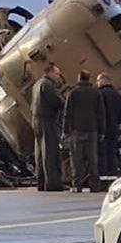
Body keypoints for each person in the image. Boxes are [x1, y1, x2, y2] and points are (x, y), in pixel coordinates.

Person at [63, 69, 105, 192]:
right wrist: (101, 131)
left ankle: (77, 185)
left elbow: (68, 113)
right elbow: (101, 113)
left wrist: (65, 131)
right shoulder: (96, 93)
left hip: (76, 130)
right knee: (92, 159)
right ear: (89, 78)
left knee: (77, 159)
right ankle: (95, 186)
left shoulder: (73, 93)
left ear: (79, 78)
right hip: (92, 129)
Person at [31, 62, 64, 191]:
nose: (58, 76)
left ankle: (41, 182)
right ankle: (52, 184)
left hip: (37, 120)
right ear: (49, 73)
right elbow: (57, 101)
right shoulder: (48, 85)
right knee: (50, 152)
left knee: (39, 153)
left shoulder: (37, 84)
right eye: (57, 74)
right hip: (47, 120)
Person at [97, 73, 121, 176]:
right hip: (114, 129)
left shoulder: (99, 94)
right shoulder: (117, 95)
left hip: (102, 130)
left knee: (102, 155)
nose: (97, 83)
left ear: (104, 80)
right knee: (113, 153)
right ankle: (113, 176)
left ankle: (103, 177)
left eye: (98, 80)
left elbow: (97, 112)